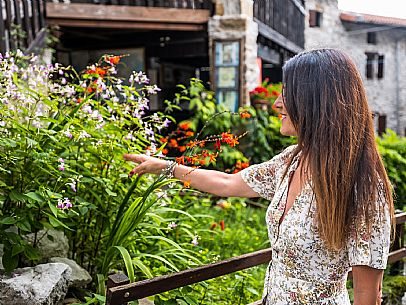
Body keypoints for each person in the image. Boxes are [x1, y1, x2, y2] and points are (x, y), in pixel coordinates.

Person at [123, 49, 394, 305]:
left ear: (317, 101)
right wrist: (164, 166)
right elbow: (228, 182)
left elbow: (368, 295)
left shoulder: (363, 187)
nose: (277, 103)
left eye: (287, 94)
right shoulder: (291, 160)